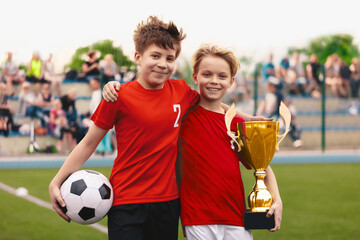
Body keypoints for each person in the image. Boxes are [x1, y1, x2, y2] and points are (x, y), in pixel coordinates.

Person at [49, 16, 196, 240]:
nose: (163, 63)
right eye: (155, 55)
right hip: (126, 202)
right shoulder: (117, 96)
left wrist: (247, 117)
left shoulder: (181, 90)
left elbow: (213, 106)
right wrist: (57, 181)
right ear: (138, 57)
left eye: (170, 58)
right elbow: (88, 143)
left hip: (167, 203)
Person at [177, 45, 282, 240]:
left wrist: (277, 200)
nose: (214, 81)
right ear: (195, 76)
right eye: (207, 74)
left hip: (236, 218)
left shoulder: (237, 124)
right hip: (198, 218)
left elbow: (262, 166)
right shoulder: (184, 114)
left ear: (231, 81)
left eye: (222, 76)